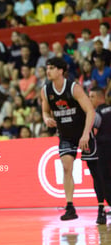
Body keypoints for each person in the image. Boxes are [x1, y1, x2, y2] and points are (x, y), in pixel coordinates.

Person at [41, 57, 97, 221]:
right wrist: (45, 119)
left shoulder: (74, 88)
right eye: (47, 68)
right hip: (65, 136)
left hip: (82, 133)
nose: (48, 71)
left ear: (60, 70)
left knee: (96, 171)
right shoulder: (46, 90)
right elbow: (44, 111)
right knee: (66, 168)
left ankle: (102, 204)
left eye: (51, 68)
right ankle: (70, 206)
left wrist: (86, 133)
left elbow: (90, 111)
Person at [89, 87, 111, 224]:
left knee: (103, 180)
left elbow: (93, 127)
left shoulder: (96, 113)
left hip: (103, 149)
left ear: (99, 97)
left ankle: (103, 208)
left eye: (91, 97)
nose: (89, 100)